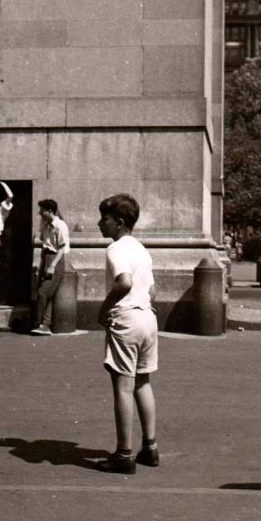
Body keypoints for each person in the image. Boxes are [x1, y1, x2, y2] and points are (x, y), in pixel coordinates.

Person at [95, 194, 159, 475]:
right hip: (148, 318)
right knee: (143, 383)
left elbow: (124, 281)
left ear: (119, 223)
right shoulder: (141, 249)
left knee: (123, 387)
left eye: (104, 219)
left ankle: (124, 454)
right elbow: (152, 290)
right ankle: (151, 446)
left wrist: (104, 308)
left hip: (127, 319)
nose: (100, 224)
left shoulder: (115, 249)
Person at [30, 199, 70, 335]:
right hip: (45, 257)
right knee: (47, 294)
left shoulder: (60, 226)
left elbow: (62, 248)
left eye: (42, 210)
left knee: (43, 292)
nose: (40, 213)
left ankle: (40, 322)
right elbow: (42, 240)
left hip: (55, 259)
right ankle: (44, 325)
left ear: (50, 211)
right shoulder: (46, 225)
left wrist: (52, 265)